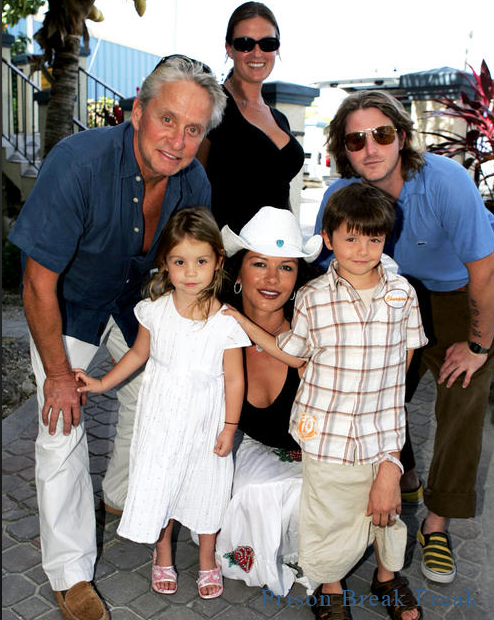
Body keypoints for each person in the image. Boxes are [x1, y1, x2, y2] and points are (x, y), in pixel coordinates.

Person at [8, 56, 227, 619]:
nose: (178, 141)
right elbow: (37, 281)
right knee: (62, 425)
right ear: (137, 111)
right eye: (167, 119)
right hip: (70, 307)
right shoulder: (77, 163)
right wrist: (58, 375)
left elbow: (193, 270)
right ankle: (70, 572)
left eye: (193, 129)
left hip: (137, 308)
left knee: (155, 395)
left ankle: (123, 498)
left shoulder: (193, 181)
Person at [313, 90, 494, 584]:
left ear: (403, 137)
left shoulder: (446, 182)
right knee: (376, 385)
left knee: (465, 392)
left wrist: (478, 346)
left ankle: (436, 523)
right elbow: (328, 278)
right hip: (391, 295)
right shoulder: (338, 198)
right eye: (356, 139)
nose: (370, 148)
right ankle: (405, 476)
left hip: (460, 290)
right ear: (342, 149)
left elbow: (485, 272)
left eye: (382, 134)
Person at [225, 184, 427, 620]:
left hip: (380, 429)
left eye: (373, 239)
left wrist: (392, 458)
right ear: (330, 240)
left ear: (386, 240)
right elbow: (293, 353)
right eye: (350, 238)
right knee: (328, 514)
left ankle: (387, 578)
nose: (362, 249)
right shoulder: (313, 300)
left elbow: (401, 376)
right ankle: (328, 586)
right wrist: (239, 320)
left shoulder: (403, 294)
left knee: (386, 512)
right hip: (328, 435)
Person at [74, 207, 250, 599]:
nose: (191, 272)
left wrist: (230, 426)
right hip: (162, 419)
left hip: (207, 421)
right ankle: (163, 552)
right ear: (166, 266)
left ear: (218, 262)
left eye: (201, 261)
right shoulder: (155, 312)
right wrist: (101, 382)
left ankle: (207, 560)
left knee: (208, 488)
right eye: (180, 262)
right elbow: (137, 355)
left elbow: (236, 377)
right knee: (163, 485)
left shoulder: (226, 322)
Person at [210, 206, 322, 596]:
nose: (272, 279)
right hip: (253, 451)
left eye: (286, 267)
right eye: (259, 264)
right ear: (239, 272)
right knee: (239, 486)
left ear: (298, 277)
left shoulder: (315, 329)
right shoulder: (215, 327)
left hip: (317, 458)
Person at [197, 1, 304, 232]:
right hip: (231, 255)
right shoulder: (210, 106)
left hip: (279, 252)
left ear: (277, 48)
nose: (257, 53)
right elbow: (190, 191)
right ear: (229, 48)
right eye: (245, 44)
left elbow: (281, 193)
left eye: (267, 43)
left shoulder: (279, 118)